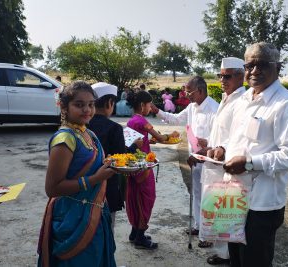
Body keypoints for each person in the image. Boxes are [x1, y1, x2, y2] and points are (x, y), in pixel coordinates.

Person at [207, 42, 288, 267]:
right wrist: (223, 149)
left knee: (255, 261)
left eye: (261, 64)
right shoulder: (243, 99)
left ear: (278, 67)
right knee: (235, 258)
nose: (254, 71)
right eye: (250, 65)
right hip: (233, 195)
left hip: (261, 204)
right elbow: (236, 137)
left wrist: (251, 163)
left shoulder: (286, 104)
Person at [37, 81, 117, 267]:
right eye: (79, 105)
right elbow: (52, 188)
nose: (87, 110)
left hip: (95, 211)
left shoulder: (88, 133)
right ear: (64, 107)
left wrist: (109, 165)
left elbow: (92, 165)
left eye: (90, 104)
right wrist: (96, 178)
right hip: (72, 218)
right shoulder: (65, 139)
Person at [150, 76, 219, 248]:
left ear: (201, 91)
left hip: (210, 160)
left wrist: (207, 144)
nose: (186, 94)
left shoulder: (215, 109)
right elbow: (176, 119)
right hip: (193, 159)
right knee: (196, 194)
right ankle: (197, 226)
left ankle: (208, 235)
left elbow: (221, 137)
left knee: (209, 197)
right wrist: (156, 110)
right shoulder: (191, 108)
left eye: (189, 91)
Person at [203, 57, 246, 265]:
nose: (222, 79)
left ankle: (227, 256)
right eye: (220, 75)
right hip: (216, 163)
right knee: (221, 211)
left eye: (227, 76)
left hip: (229, 165)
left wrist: (224, 148)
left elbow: (241, 133)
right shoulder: (226, 98)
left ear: (241, 76)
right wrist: (209, 147)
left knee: (229, 213)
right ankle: (225, 253)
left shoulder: (243, 101)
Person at [125, 90, 180, 250]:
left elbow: (138, 142)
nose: (150, 108)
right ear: (142, 105)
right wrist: (172, 135)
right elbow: (162, 137)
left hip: (134, 165)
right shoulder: (142, 122)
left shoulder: (131, 121)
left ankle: (135, 232)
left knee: (135, 197)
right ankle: (140, 237)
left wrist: (151, 141)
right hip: (144, 167)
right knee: (146, 198)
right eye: (149, 105)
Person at [89, 82, 142, 232]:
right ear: (109, 103)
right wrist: (134, 146)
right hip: (107, 185)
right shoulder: (114, 128)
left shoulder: (83, 125)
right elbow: (121, 159)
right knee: (106, 229)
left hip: (85, 183)